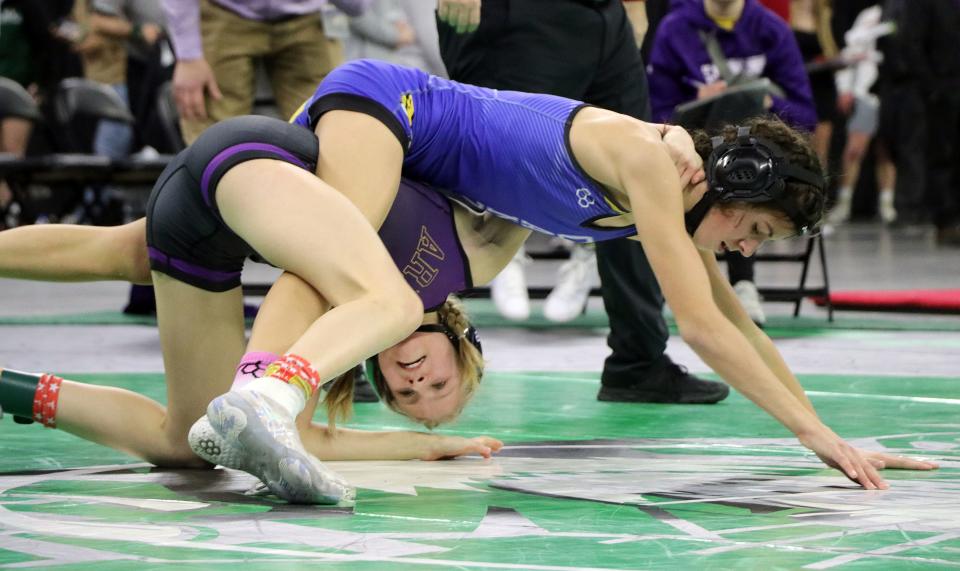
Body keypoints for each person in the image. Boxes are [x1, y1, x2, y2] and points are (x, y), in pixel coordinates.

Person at [281, 58, 938, 493]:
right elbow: (703, 329)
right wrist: (811, 436)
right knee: (329, 270)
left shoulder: (669, 184)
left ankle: (264, 407)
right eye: (757, 230)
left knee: (332, 269)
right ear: (735, 183)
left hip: (401, 139)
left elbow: (740, 325)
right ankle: (268, 403)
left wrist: (825, 432)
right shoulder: (653, 164)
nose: (743, 249)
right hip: (390, 106)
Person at [0, 116, 520, 504]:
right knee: (390, 305)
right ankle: (254, 389)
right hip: (258, 159)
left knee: (187, 442)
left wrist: (422, 447)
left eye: (405, 393)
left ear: (376, 370)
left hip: (211, 213)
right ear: (464, 349)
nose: (415, 379)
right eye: (438, 384)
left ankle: (9, 387)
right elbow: (527, 171)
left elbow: (307, 434)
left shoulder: (348, 322)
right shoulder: (470, 259)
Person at [436, 0, 728, 404]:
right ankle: (358, 353)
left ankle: (638, 361)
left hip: (605, 16)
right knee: (466, 184)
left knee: (647, 181)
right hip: (515, 16)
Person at [646, 0, 817, 327]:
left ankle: (743, 282)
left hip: (757, 163)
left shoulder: (771, 30)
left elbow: (805, 116)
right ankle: (683, 278)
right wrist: (700, 101)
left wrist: (763, 99)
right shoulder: (675, 29)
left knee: (749, 161)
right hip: (692, 154)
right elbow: (655, 113)